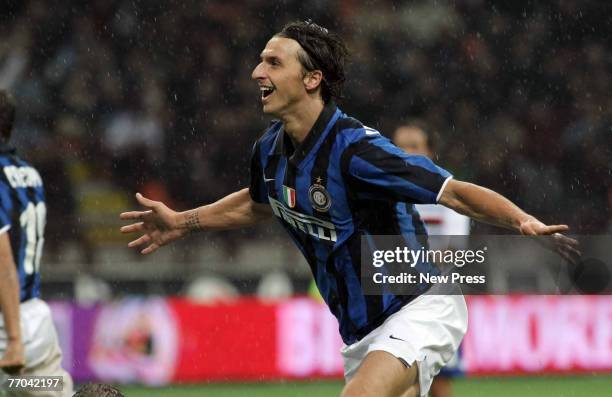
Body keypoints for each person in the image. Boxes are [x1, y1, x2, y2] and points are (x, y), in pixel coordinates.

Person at [120, 21, 576, 397]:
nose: (257, 72)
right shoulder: (269, 151)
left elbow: (453, 192)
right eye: (260, 60)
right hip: (360, 333)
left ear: (312, 78)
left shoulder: (356, 151)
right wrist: (184, 221)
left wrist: (519, 218)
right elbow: (261, 204)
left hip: (418, 303)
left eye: (273, 62)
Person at [0, 91, 74, 396]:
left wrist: (14, 338)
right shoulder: (29, 174)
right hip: (36, 323)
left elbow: (2, 257)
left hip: (8, 327)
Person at [393, 121, 469, 397]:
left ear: (429, 152)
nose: (406, 152)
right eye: (400, 145)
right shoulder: (382, 193)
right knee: (398, 380)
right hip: (394, 303)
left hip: (438, 299)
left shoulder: (448, 195)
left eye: (414, 146)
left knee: (439, 382)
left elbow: (453, 250)